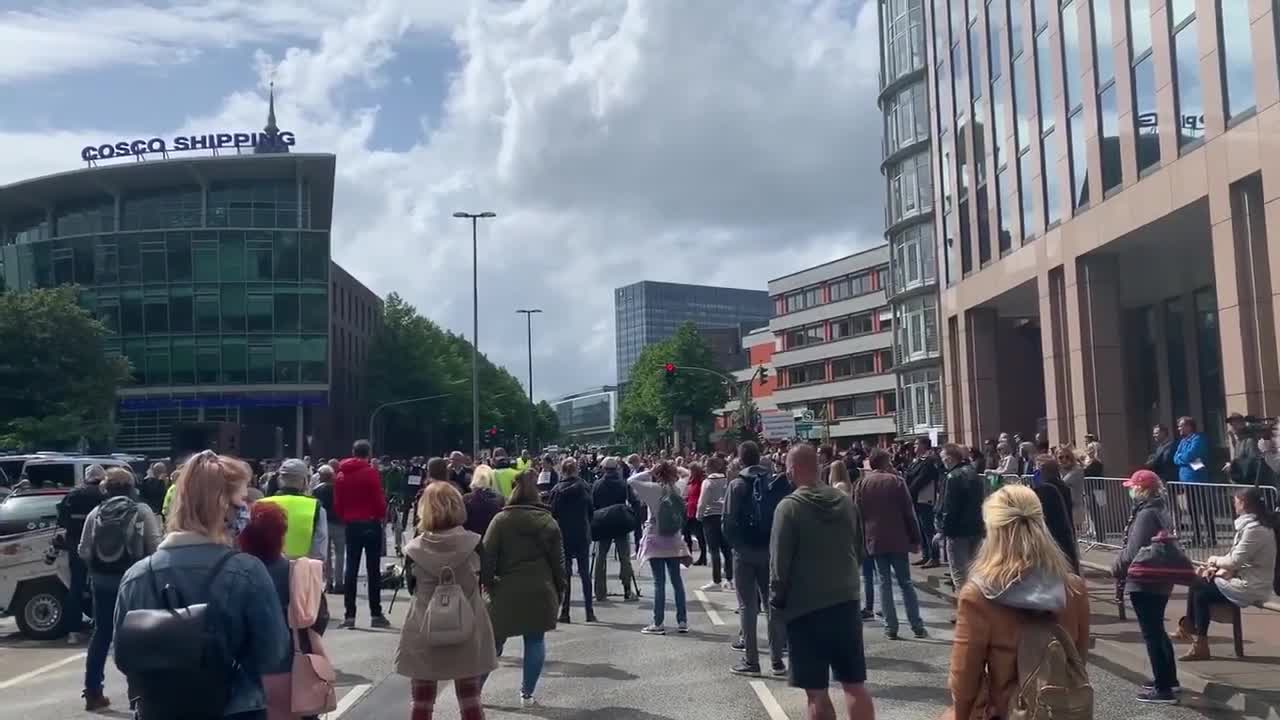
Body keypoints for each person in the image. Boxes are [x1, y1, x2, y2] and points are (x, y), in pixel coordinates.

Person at [113, 450, 289, 719]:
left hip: (158, 710)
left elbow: (123, 656)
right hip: (235, 709)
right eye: (242, 500)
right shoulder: (247, 571)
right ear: (222, 506)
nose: (246, 510)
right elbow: (274, 653)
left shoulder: (136, 576)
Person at [947, 484, 1091, 720]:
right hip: (1059, 710)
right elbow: (1078, 660)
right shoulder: (1073, 588)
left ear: (992, 530)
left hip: (1007, 711)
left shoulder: (979, 595)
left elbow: (964, 678)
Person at [770, 444, 873, 720]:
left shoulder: (788, 508)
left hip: (806, 608)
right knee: (854, 684)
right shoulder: (845, 501)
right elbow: (859, 549)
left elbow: (779, 567)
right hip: (846, 601)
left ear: (793, 469)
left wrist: (777, 603)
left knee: (816, 691)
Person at [396, 482, 497, 720]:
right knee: (471, 702)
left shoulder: (414, 549)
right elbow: (487, 577)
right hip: (468, 626)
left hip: (425, 628)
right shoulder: (475, 543)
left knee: (422, 703)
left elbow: (412, 589)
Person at [78, 467, 162, 711]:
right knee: (138, 636)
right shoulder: (142, 510)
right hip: (135, 581)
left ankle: (93, 692)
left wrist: (96, 570)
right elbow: (155, 547)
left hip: (102, 582)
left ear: (105, 488)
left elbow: (83, 550)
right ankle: (138, 695)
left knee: (101, 634)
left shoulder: (96, 513)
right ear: (132, 486)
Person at [238, 502, 328, 720]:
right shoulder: (298, 571)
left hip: (247, 673)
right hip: (294, 669)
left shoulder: (234, 573)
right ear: (281, 534)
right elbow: (320, 617)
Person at [482, 469, 564, 707]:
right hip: (541, 588)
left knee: (493, 643)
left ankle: (474, 691)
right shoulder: (548, 522)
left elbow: (488, 556)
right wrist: (560, 589)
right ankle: (527, 694)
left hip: (505, 588)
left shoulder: (501, 520)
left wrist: (488, 583)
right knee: (535, 640)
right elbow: (558, 563)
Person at [1177, 486, 1279, 660]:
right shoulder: (1250, 526)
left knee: (1200, 588)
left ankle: (1196, 638)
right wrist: (1216, 569)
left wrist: (1213, 561)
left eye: (1236, 501)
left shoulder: (1255, 529)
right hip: (1243, 579)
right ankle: (1194, 635)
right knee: (1199, 584)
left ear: (1244, 504)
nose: (1233, 504)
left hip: (1252, 586)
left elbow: (1234, 561)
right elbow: (1234, 556)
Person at [1113, 469, 1180, 704]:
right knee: (1157, 629)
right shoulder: (1160, 510)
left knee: (1151, 633)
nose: (1130, 491)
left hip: (1145, 579)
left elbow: (1133, 550)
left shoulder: (1146, 515)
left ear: (1142, 489)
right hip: (1160, 578)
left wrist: (1116, 565)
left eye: (1133, 487)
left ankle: (1163, 688)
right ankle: (1168, 678)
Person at [724, 441, 791, 674]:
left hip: (744, 552)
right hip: (770, 550)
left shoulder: (736, 484)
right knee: (772, 605)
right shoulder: (773, 483)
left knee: (747, 606)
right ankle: (777, 659)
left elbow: (728, 521)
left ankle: (752, 660)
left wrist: (736, 546)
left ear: (740, 459)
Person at [858, 449, 927, 640]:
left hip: (875, 539)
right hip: (897, 538)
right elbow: (908, 512)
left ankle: (891, 627)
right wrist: (916, 538)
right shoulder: (896, 481)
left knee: (884, 583)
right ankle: (916, 625)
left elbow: (859, 515)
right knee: (905, 582)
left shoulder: (863, 484)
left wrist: (861, 541)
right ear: (885, 462)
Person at [629, 460, 693, 635]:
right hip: (674, 539)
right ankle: (682, 621)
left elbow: (631, 480)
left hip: (655, 538)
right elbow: (686, 472)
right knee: (677, 581)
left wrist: (650, 471)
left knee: (659, 582)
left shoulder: (652, 489)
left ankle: (658, 623)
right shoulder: (678, 487)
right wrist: (674, 467)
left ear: (658, 474)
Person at [335, 439, 390, 629]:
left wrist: (345, 516)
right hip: (370, 522)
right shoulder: (370, 473)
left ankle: (349, 615)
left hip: (351, 523)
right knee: (373, 570)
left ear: (352, 452)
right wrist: (382, 515)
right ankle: (376, 614)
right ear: (369, 454)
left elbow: (338, 501)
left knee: (351, 568)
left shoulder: (341, 474)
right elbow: (378, 497)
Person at [57, 464, 107, 643]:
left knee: (76, 587)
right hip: (100, 548)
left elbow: (61, 520)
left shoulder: (73, 494)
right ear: (101, 477)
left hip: (76, 547)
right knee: (101, 586)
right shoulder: (103, 495)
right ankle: (100, 625)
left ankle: (73, 631)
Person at [548, 457, 596, 623]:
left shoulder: (557, 489)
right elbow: (591, 510)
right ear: (576, 470)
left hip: (564, 534)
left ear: (562, 470)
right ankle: (589, 612)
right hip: (582, 533)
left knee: (565, 574)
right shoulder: (584, 487)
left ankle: (565, 611)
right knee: (584, 574)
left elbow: (552, 513)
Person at [257, 459, 328, 561]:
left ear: (280, 479)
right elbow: (319, 547)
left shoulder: (261, 504)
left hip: (267, 568)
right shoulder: (316, 507)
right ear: (304, 480)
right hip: (303, 569)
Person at [938, 443, 983, 596]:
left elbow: (949, 508)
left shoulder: (952, 477)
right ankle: (977, 606)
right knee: (974, 571)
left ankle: (963, 610)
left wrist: (943, 531)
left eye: (943, 459)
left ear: (950, 459)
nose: (943, 463)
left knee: (959, 574)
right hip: (975, 528)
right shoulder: (973, 472)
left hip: (957, 531)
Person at [591, 457, 637, 601]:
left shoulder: (597, 484)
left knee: (600, 557)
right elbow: (634, 502)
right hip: (620, 522)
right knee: (624, 557)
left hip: (603, 523)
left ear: (604, 469)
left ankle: (600, 591)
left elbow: (593, 504)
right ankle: (627, 589)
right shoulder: (623, 484)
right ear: (616, 469)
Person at [1029, 459, 1079, 571]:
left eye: (1037, 469)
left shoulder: (1046, 489)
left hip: (1052, 532)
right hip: (1064, 530)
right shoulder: (1062, 486)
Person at [697, 455, 734, 591]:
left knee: (713, 550)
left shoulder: (708, 482)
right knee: (727, 549)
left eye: (706, 466)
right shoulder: (726, 480)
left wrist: (699, 515)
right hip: (724, 515)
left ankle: (716, 580)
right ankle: (730, 579)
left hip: (710, 516)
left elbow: (702, 502)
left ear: (710, 467)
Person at [906, 438, 943, 569]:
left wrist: (908, 491)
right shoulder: (917, 460)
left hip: (924, 498)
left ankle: (934, 557)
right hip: (916, 498)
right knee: (920, 529)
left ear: (923, 445)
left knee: (928, 529)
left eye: (916, 443)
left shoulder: (929, 460)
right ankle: (926, 555)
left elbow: (922, 479)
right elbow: (909, 473)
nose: (914, 446)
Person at [310, 465, 344, 593]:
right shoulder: (338, 488)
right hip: (339, 523)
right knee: (340, 554)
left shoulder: (316, 490)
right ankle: (339, 582)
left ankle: (328, 582)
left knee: (327, 555)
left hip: (323, 524)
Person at [462, 465, 504, 537]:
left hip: (472, 540)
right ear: (491, 478)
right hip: (492, 538)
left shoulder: (466, 499)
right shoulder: (499, 498)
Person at [682, 463, 708, 566]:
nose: (690, 472)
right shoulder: (691, 481)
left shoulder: (702, 481)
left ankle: (703, 557)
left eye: (692, 470)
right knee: (686, 533)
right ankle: (689, 555)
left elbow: (702, 496)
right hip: (688, 510)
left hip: (696, 511)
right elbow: (689, 494)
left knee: (699, 535)